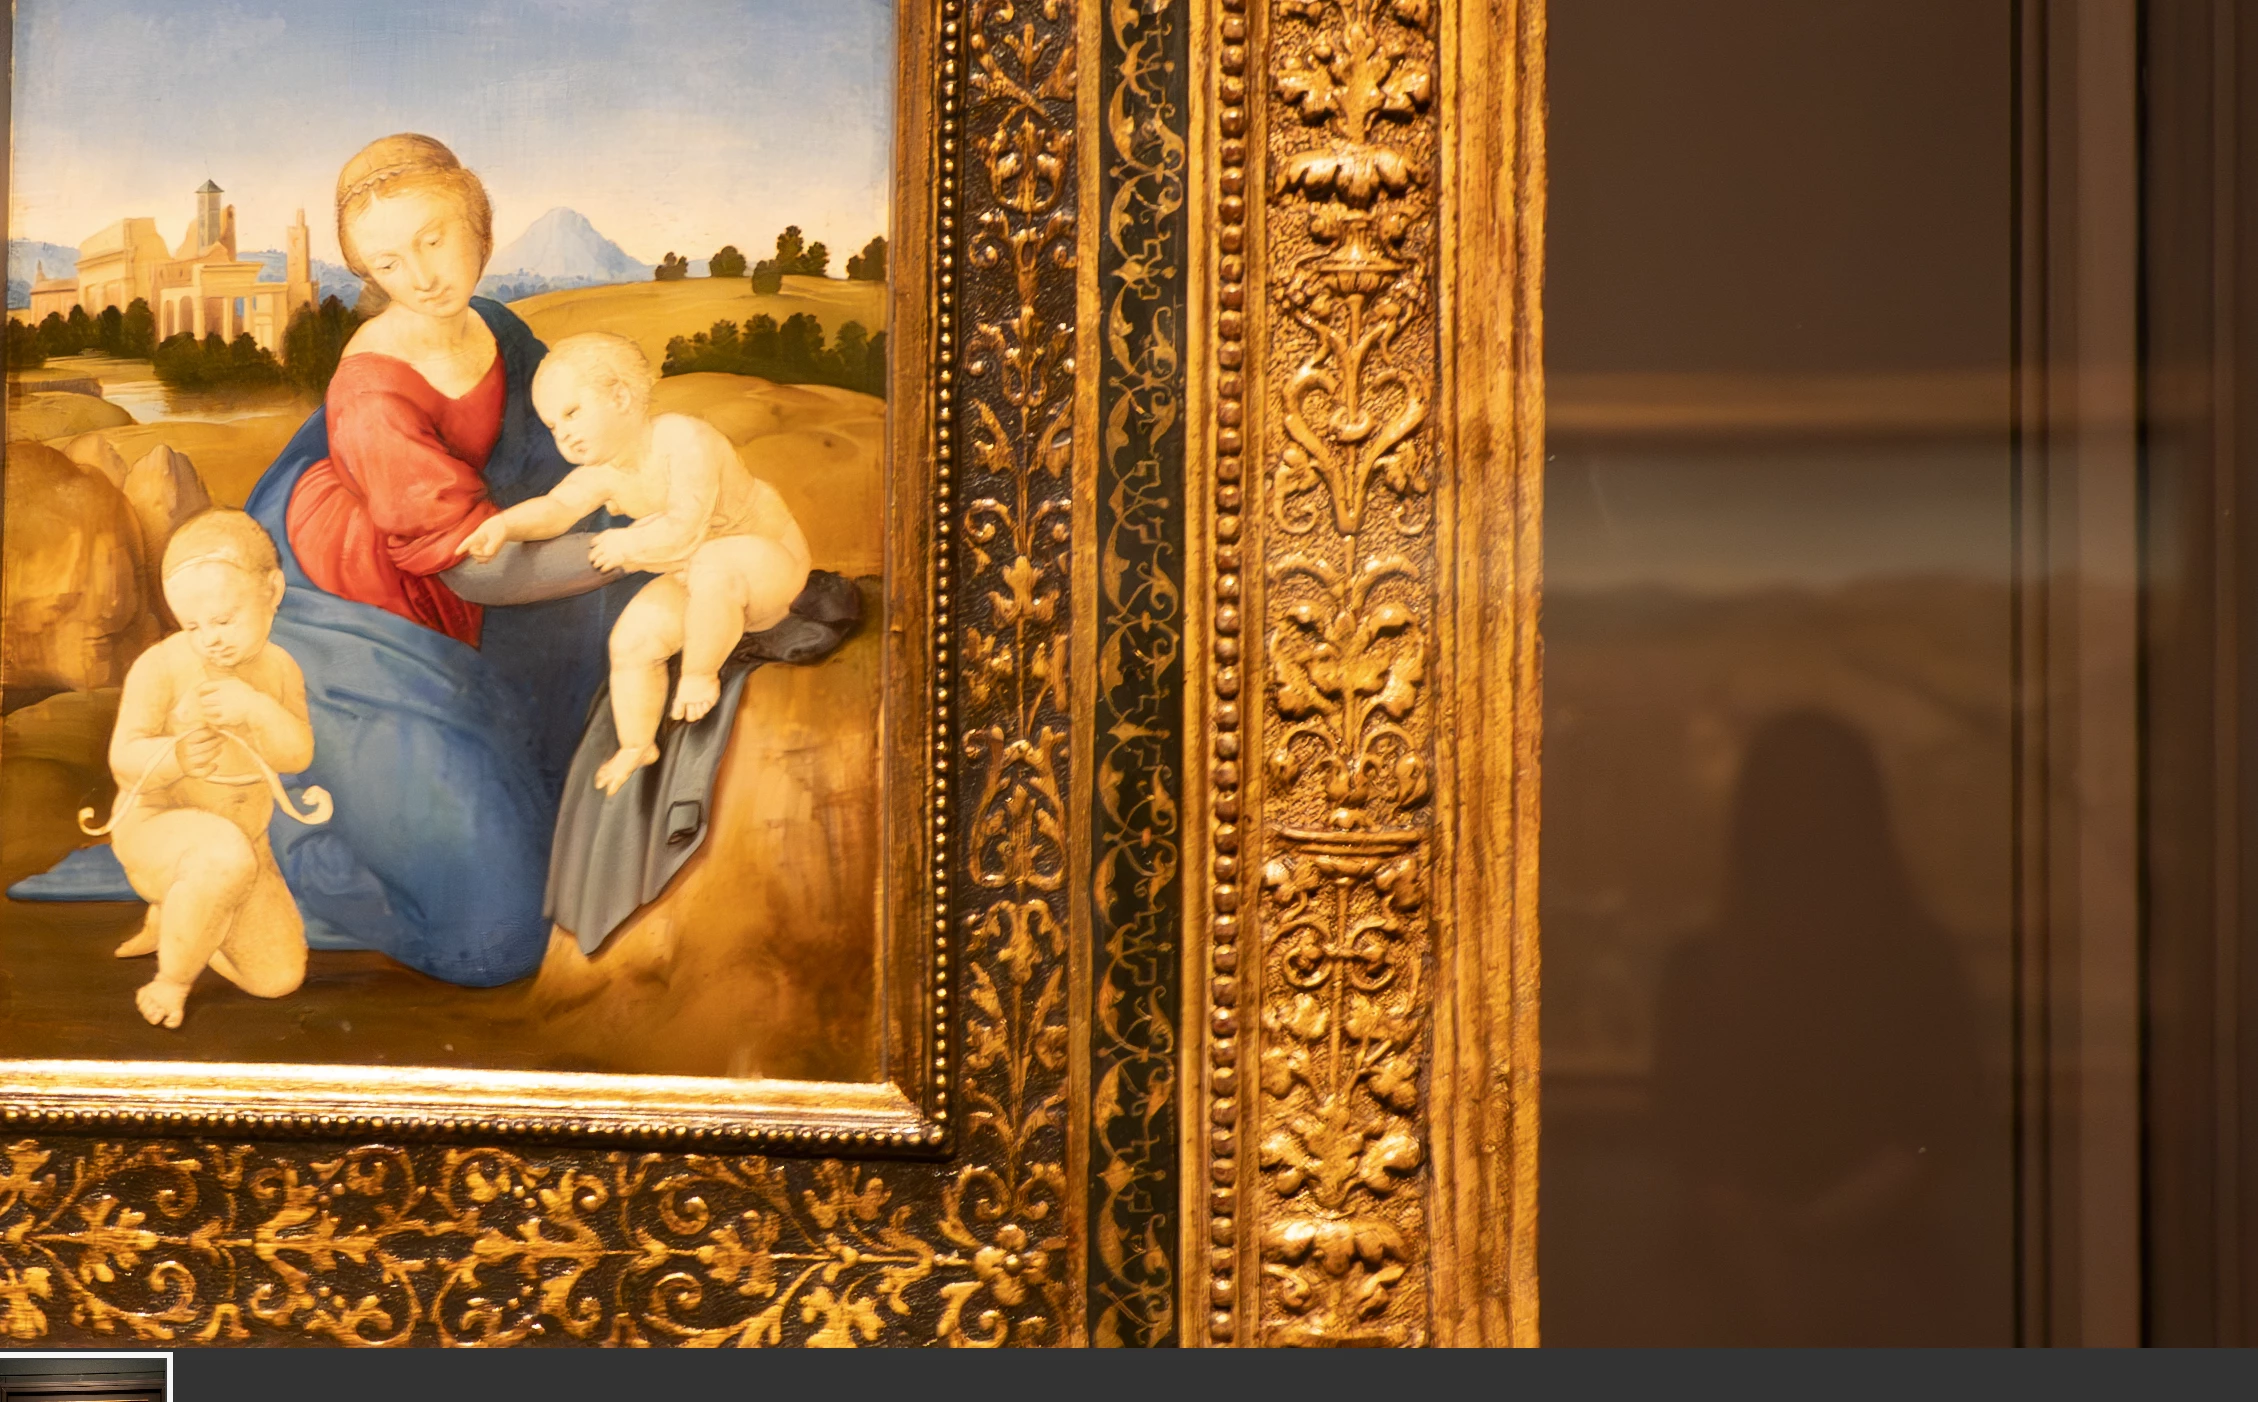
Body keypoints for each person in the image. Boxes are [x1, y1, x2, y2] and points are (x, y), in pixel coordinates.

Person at [457, 333, 812, 795]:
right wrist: (504, 526)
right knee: (631, 640)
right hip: (699, 579)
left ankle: (699, 676)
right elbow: (557, 509)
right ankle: (637, 744)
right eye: (552, 425)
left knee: (714, 563)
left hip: (769, 565)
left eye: (572, 413)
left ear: (621, 397)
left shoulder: (683, 439)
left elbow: (686, 528)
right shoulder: (605, 472)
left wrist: (626, 544)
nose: (563, 434)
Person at [91, 511, 328, 1028]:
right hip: (157, 830)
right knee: (222, 855)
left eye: (223, 621)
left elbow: (297, 756)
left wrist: (257, 709)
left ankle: (187, 914)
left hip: (246, 843)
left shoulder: (280, 668)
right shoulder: (160, 666)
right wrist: (174, 758)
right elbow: (123, 758)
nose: (210, 640)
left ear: (272, 591)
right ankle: (171, 980)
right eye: (192, 626)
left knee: (278, 978)